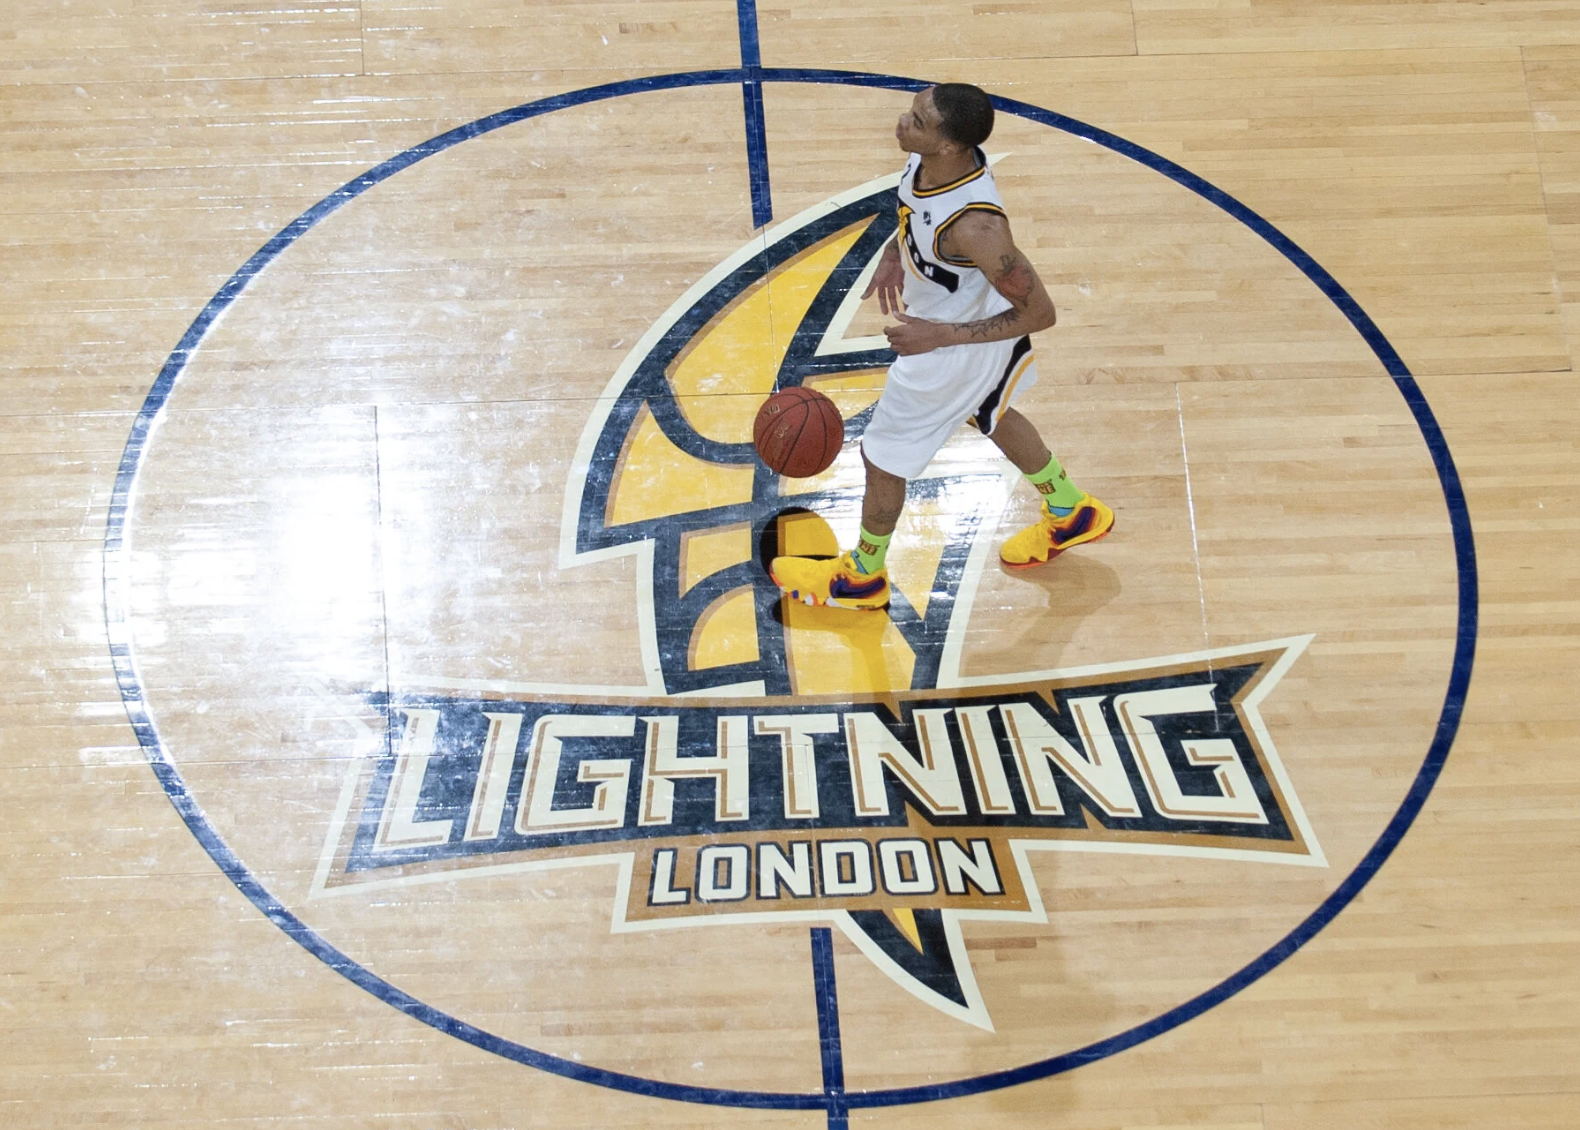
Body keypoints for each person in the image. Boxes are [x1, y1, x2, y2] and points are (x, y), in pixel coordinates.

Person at [769, 83, 1114, 611]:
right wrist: (894, 252)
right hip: (962, 330)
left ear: (951, 146)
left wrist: (939, 337)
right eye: (911, 113)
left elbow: (1039, 313)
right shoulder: (932, 162)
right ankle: (1071, 511)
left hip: (950, 351)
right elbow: (915, 211)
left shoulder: (978, 227)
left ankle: (862, 578)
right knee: (993, 413)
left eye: (918, 122)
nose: (902, 124)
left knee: (883, 458)